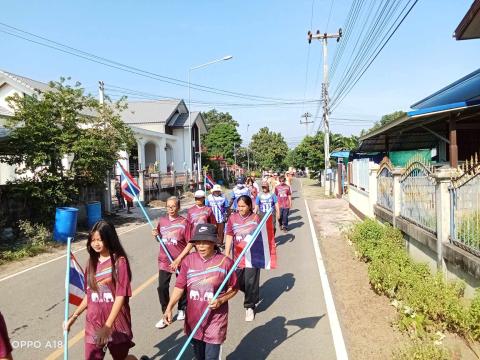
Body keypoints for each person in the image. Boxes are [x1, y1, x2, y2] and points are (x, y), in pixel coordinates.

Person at [64, 220, 137, 360]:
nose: (96, 243)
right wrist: (74, 316)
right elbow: (89, 295)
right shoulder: (91, 263)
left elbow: (121, 296)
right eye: (93, 240)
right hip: (94, 324)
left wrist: (107, 327)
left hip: (116, 324)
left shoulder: (119, 262)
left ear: (109, 239)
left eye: (100, 240)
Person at [164, 223, 238, 360]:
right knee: (199, 357)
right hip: (194, 319)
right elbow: (180, 286)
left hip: (215, 320)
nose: (201, 246)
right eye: (198, 242)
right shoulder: (188, 261)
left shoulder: (225, 262)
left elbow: (234, 288)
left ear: (214, 242)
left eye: (205, 242)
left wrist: (221, 300)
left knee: (211, 358)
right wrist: (169, 308)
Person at [152, 196, 192, 329]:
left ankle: (182, 308)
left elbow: (190, 244)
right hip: (164, 260)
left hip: (180, 260)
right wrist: (156, 235)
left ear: (178, 207)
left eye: (173, 206)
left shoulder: (184, 222)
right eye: (168, 206)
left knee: (182, 286)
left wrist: (179, 259)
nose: (170, 209)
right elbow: (160, 239)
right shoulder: (162, 221)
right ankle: (166, 312)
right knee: (162, 287)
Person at [224, 195, 261, 322]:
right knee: (237, 282)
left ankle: (249, 307)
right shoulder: (232, 218)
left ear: (250, 206)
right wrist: (227, 253)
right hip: (238, 257)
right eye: (238, 206)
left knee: (251, 281)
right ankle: (251, 293)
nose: (240, 208)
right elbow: (229, 235)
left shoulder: (255, 218)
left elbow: (262, 236)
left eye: (243, 206)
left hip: (253, 257)